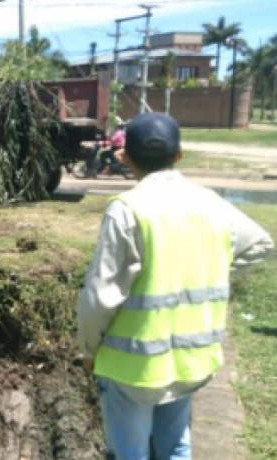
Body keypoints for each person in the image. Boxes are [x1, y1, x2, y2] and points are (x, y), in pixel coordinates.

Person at [76, 113, 273, 460]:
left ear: (124, 157)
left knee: (129, 452)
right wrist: (213, 268)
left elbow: (101, 294)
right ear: (178, 155)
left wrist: (89, 349)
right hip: (191, 359)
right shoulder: (210, 202)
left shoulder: (127, 209)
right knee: (176, 446)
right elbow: (260, 244)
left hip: (132, 365)